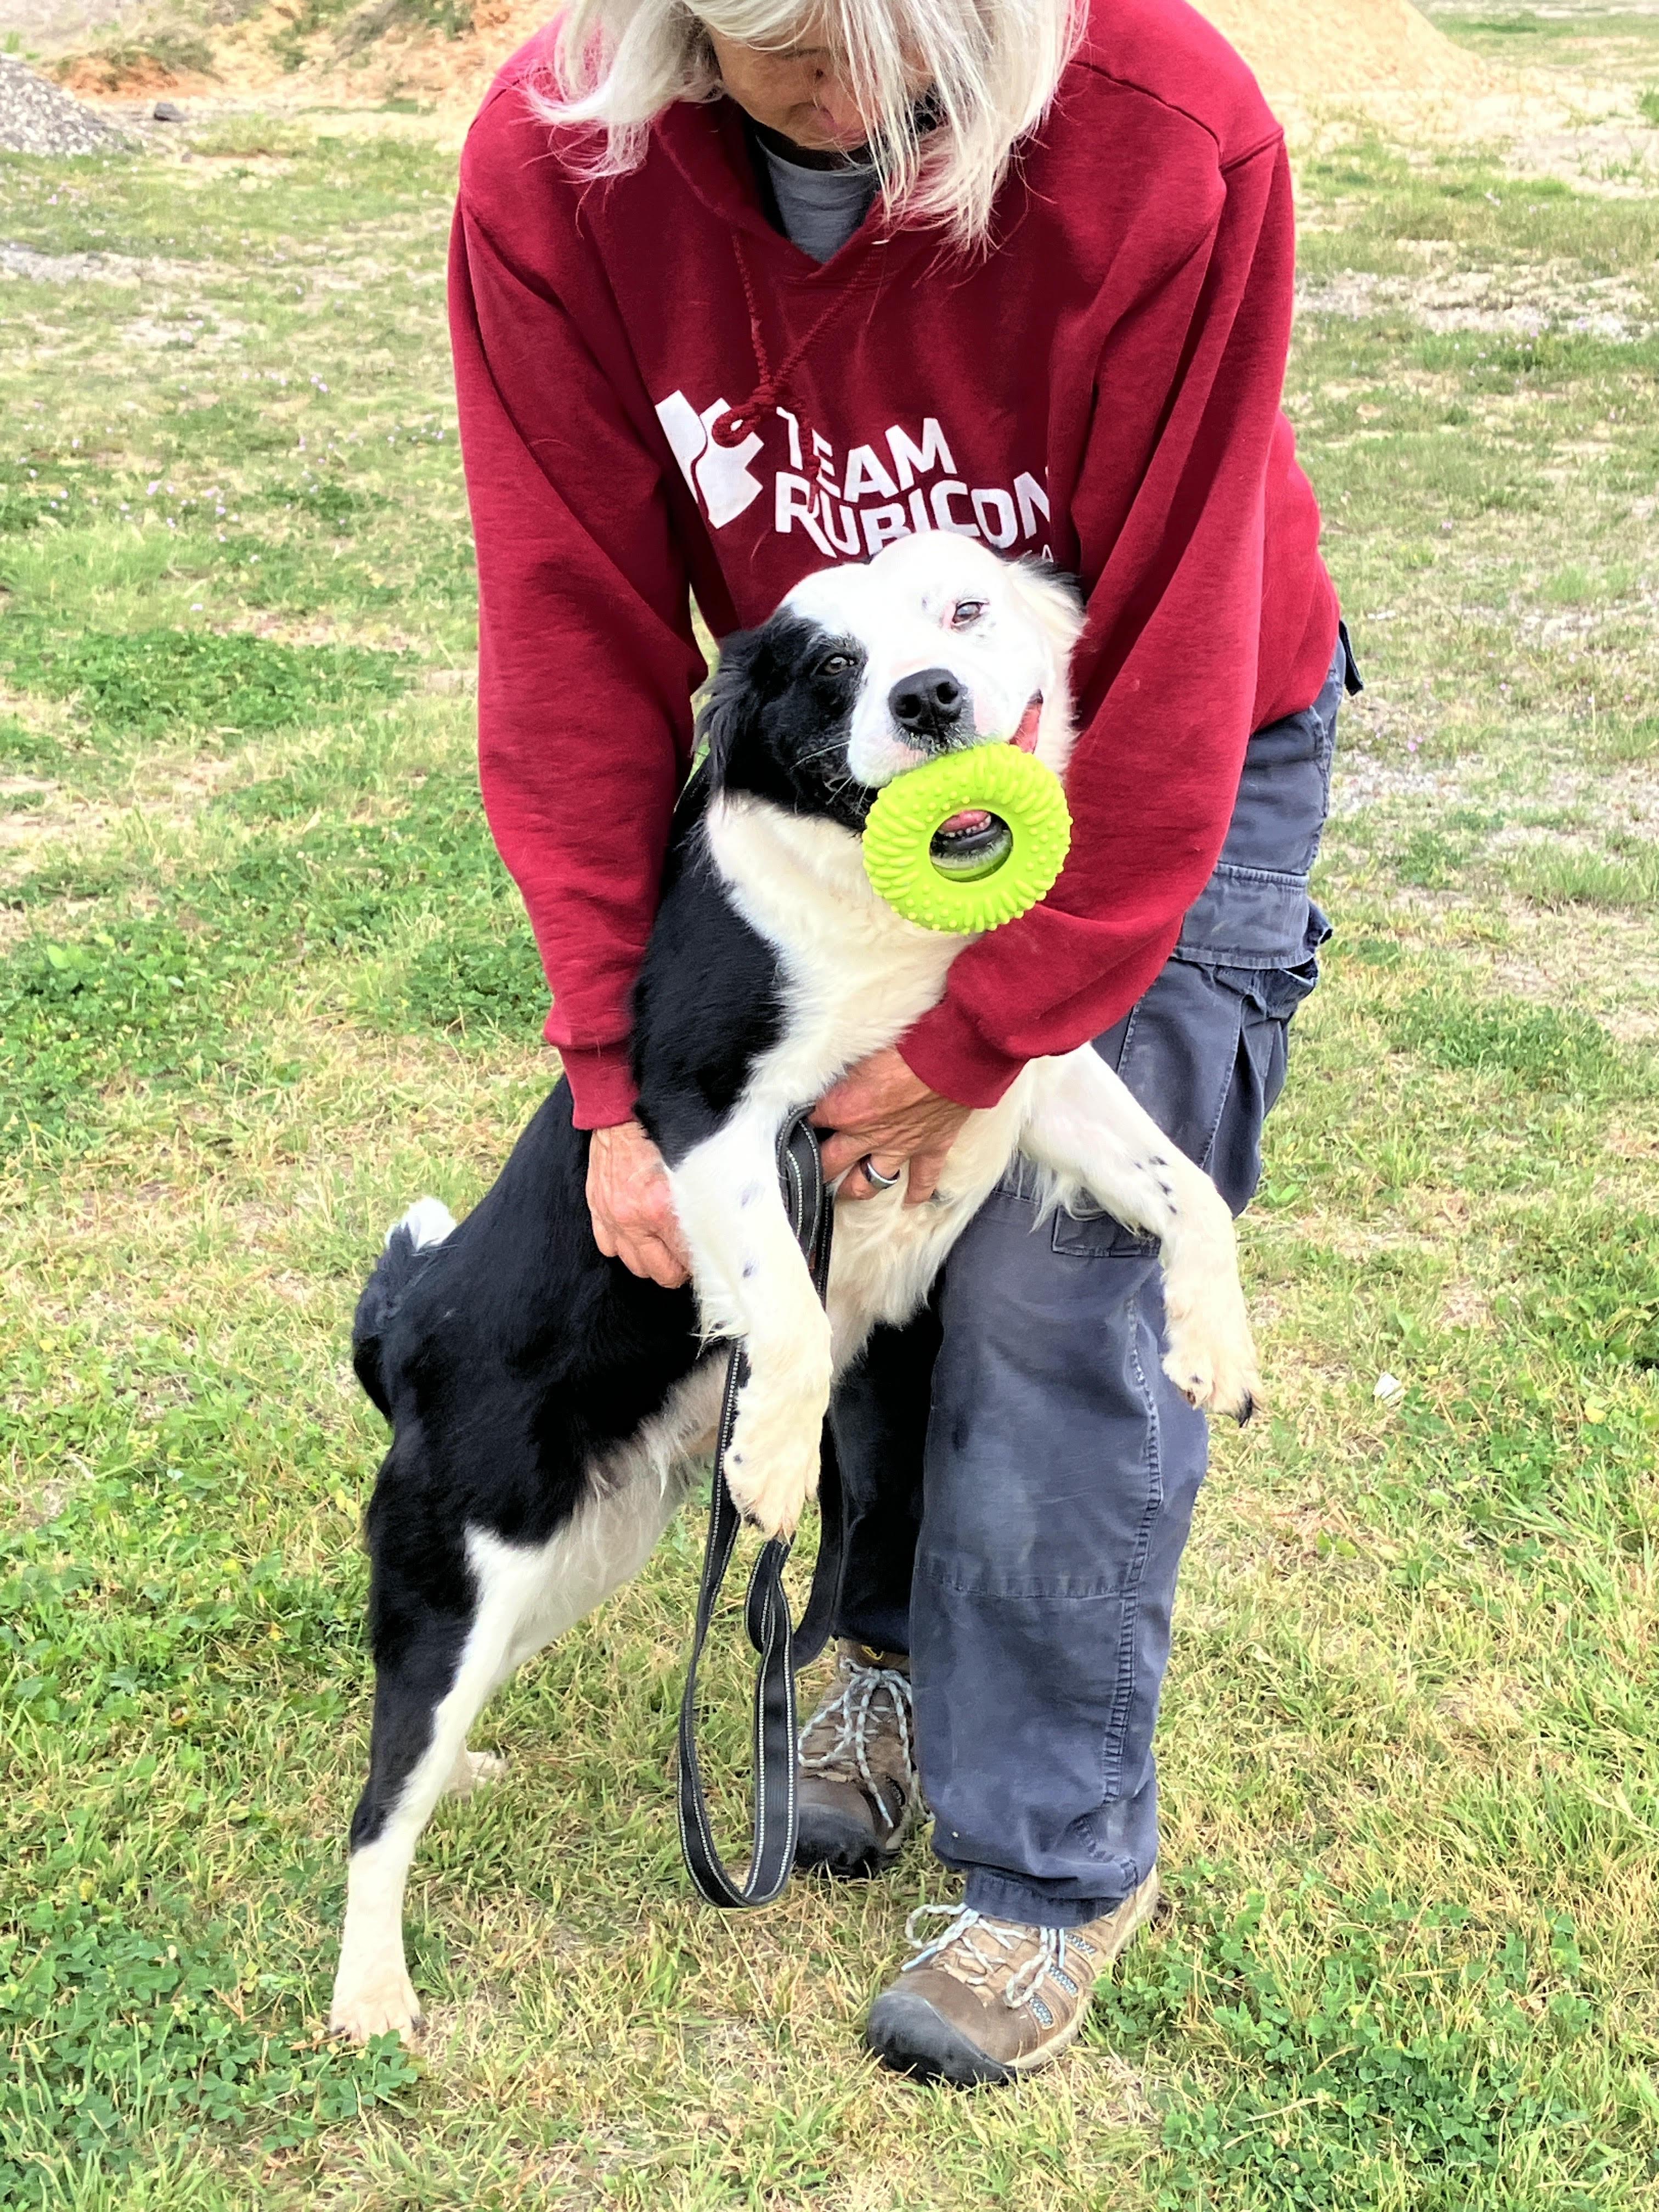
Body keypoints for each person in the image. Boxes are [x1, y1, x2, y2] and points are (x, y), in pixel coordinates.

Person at [449, 0, 1356, 2087]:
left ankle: (1049, 1867)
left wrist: (1007, 1029)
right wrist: (614, 1075)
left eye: (904, 50)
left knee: (1052, 1276)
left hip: (1133, 726)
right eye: (783, 62)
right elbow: (573, 624)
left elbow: (1184, 617)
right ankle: (873, 1653)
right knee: (842, 1213)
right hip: (846, 762)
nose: (852, 112)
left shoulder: (1168, 129)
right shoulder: (554, 170)